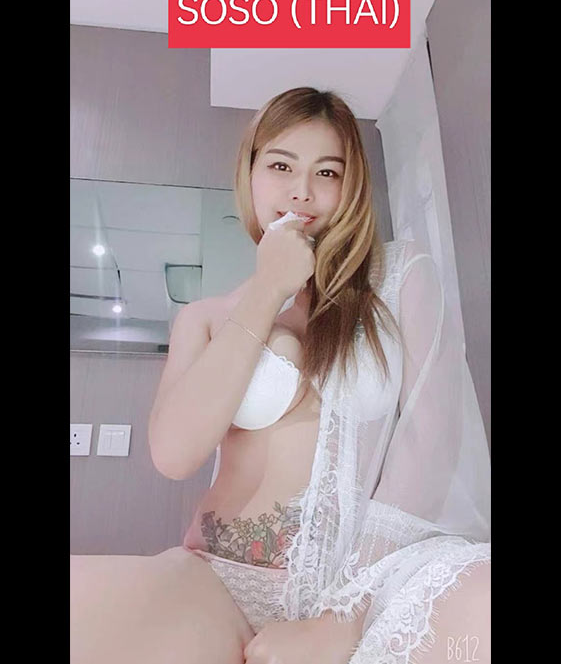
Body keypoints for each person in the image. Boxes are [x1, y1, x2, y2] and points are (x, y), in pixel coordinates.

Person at [70, 87, 490, 664]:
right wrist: (268, 288)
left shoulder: (400, 278)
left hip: (376, 577)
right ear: (249, 175)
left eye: (327, 172)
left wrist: (344, 616)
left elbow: (431, 444)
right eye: (281, 166)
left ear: (352, 186)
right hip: (223, 580)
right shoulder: (205, 318)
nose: (302, 190)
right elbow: (173, 455)